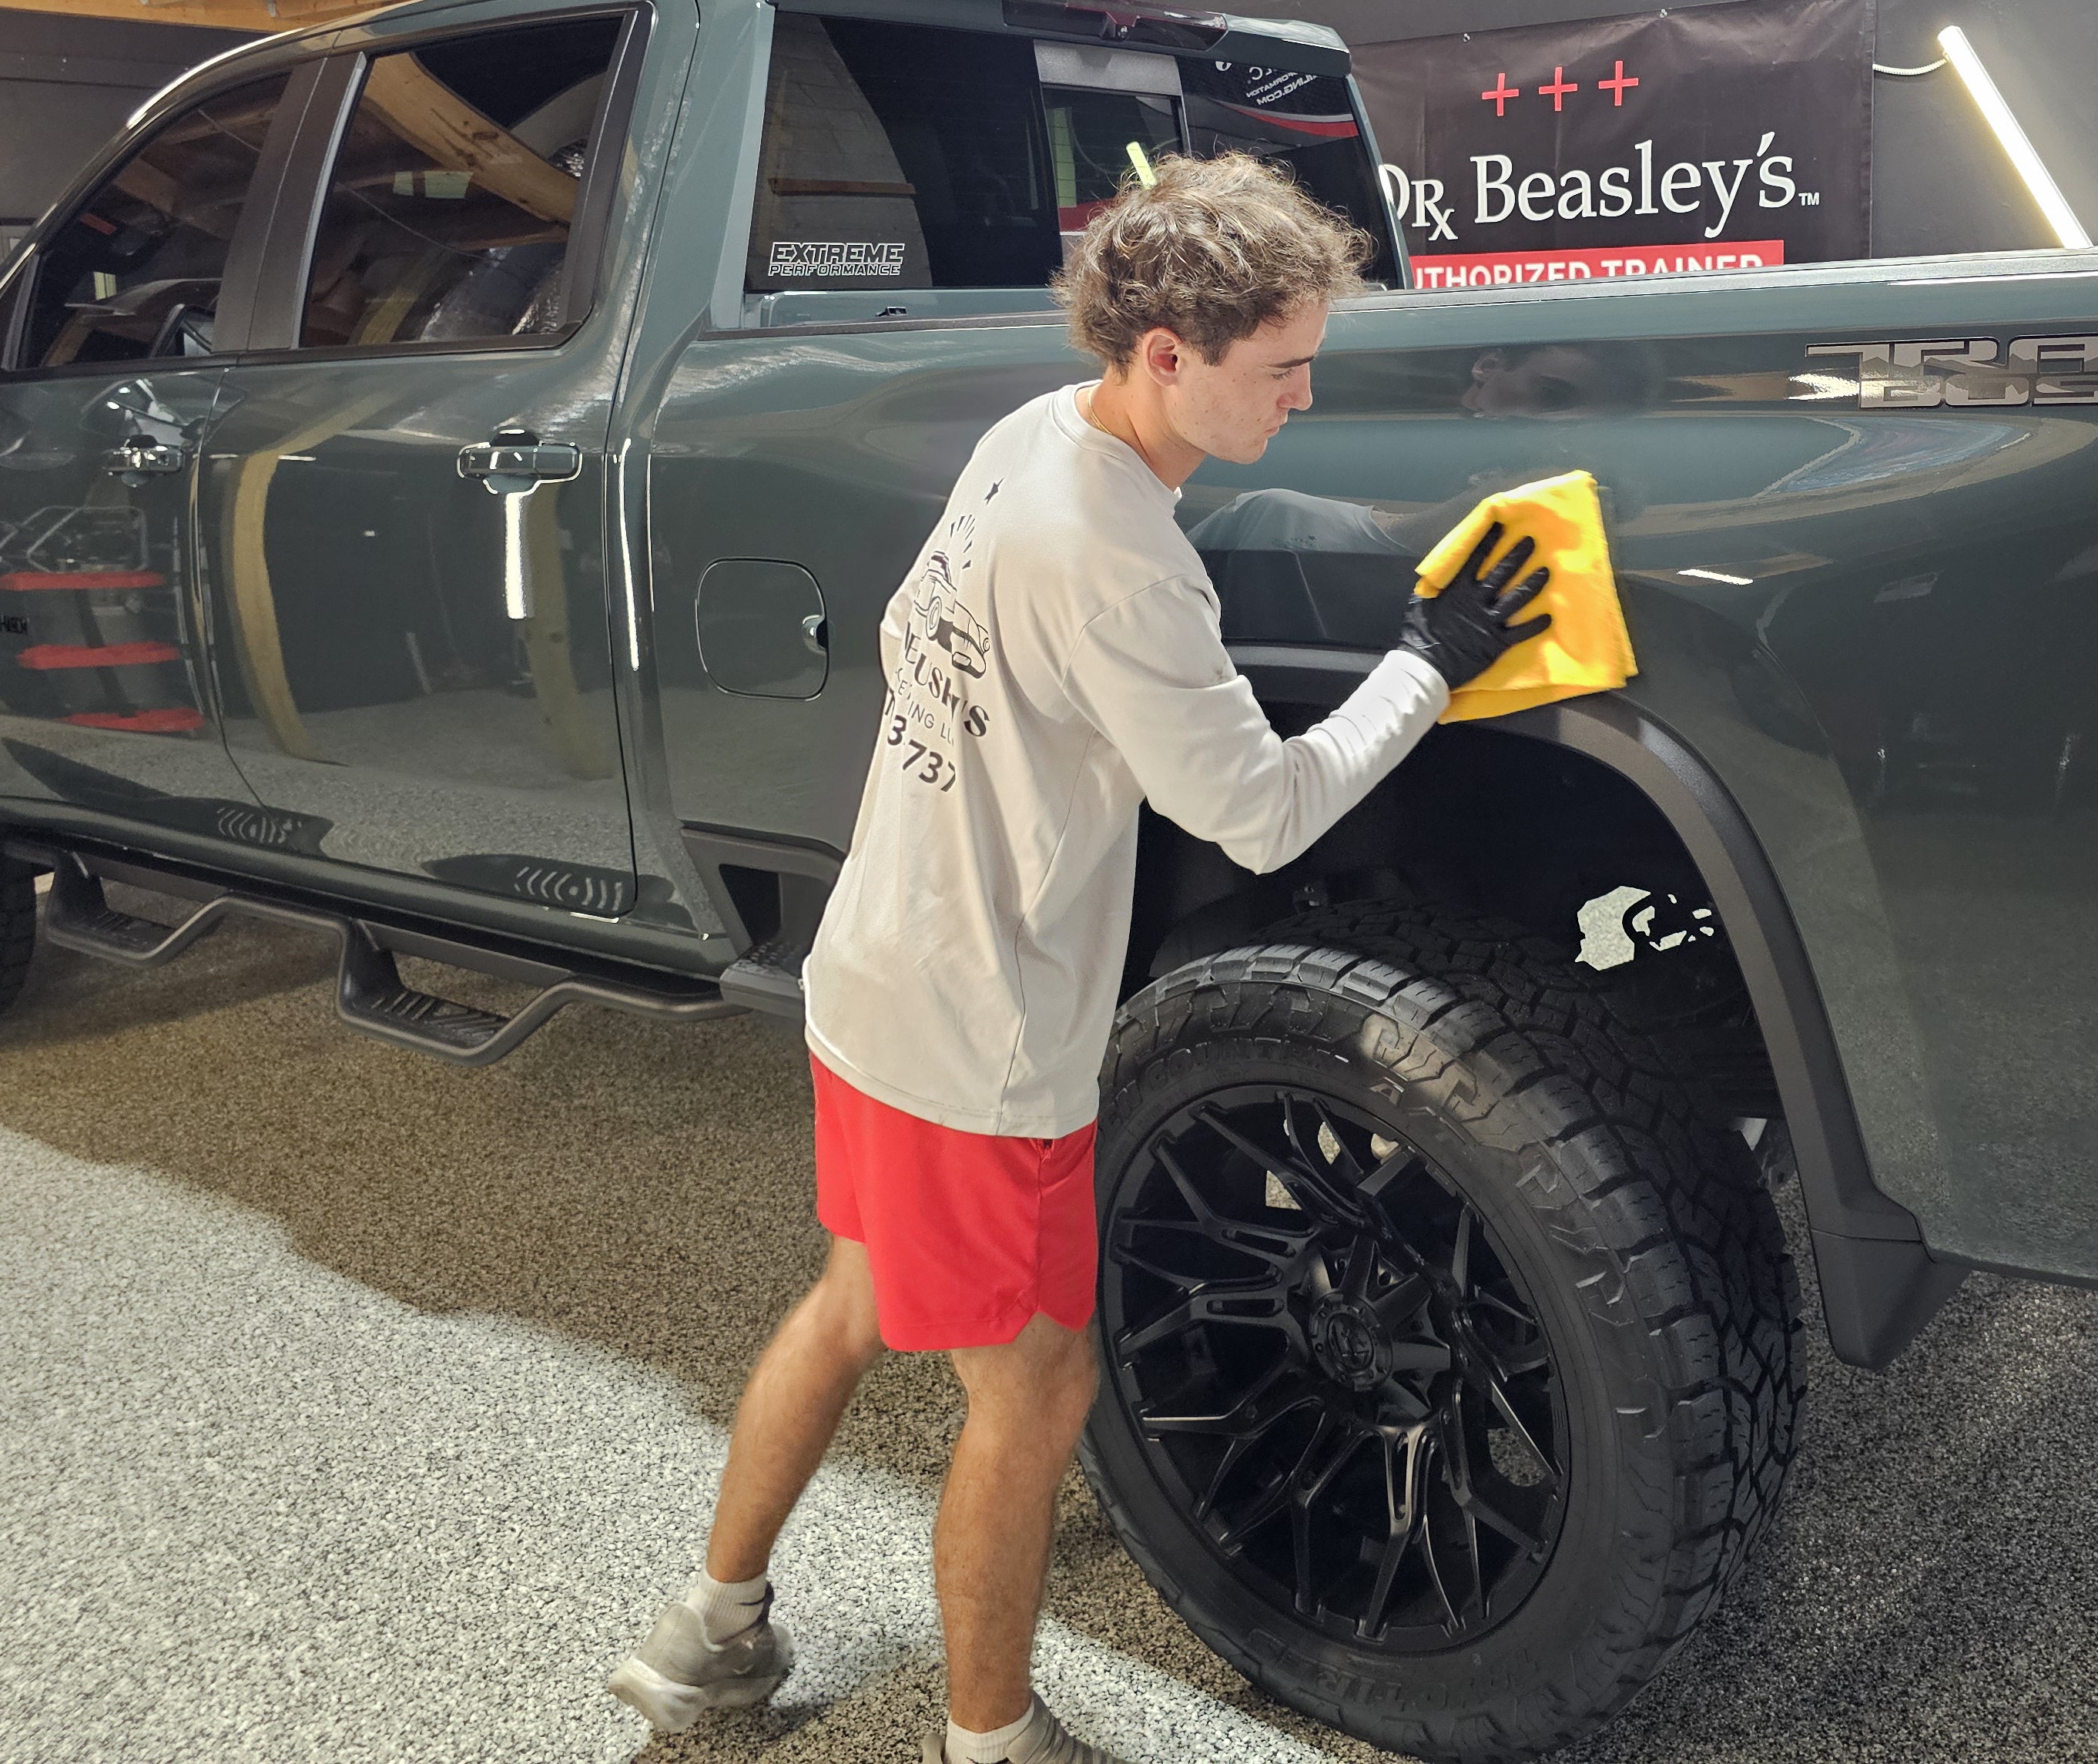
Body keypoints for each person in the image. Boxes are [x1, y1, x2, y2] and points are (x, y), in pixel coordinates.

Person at [606, 152, 1553, 1764]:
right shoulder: (1114, 554)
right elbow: (1260, 811)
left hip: (875, 975)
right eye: (1281, 371)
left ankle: (703, 1638)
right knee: (1031, 1399)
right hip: (980, 1040)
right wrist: (1428, 661)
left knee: (849, 1303)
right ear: (1167, 356)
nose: (1304, 397)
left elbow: (930, 640)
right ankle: (989, 1742)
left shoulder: (1030, 440)